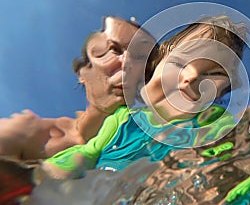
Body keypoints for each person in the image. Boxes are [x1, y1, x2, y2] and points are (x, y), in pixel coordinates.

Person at [42, 15, 247, 178]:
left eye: (215, 74)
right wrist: (50, 174)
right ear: (153, 69)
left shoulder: (215, 121)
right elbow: (86, 154)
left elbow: (224, 164)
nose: (192, 76)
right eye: (179, 64)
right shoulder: (122, 120)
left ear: (224, 91)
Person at [0, 16, 157, 160]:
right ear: (82, 72)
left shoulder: (154, 139)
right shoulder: (29, 133)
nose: (128, 63)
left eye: (140, 60)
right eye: (114, 49)